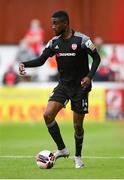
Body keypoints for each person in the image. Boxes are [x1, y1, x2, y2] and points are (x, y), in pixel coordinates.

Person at [19, 11, 101, 168]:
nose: (53, 26)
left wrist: (89, 76)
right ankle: (62, 149)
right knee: (47, 115)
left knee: (77, 126)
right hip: (63, 85)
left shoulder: (83, 40)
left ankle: (78, 157)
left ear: (65, 23)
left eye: (55, 23)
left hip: (80, 88)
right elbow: (41, 60)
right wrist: (25, 64)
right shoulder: (53, 43)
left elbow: (97, 57)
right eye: (52, 23)